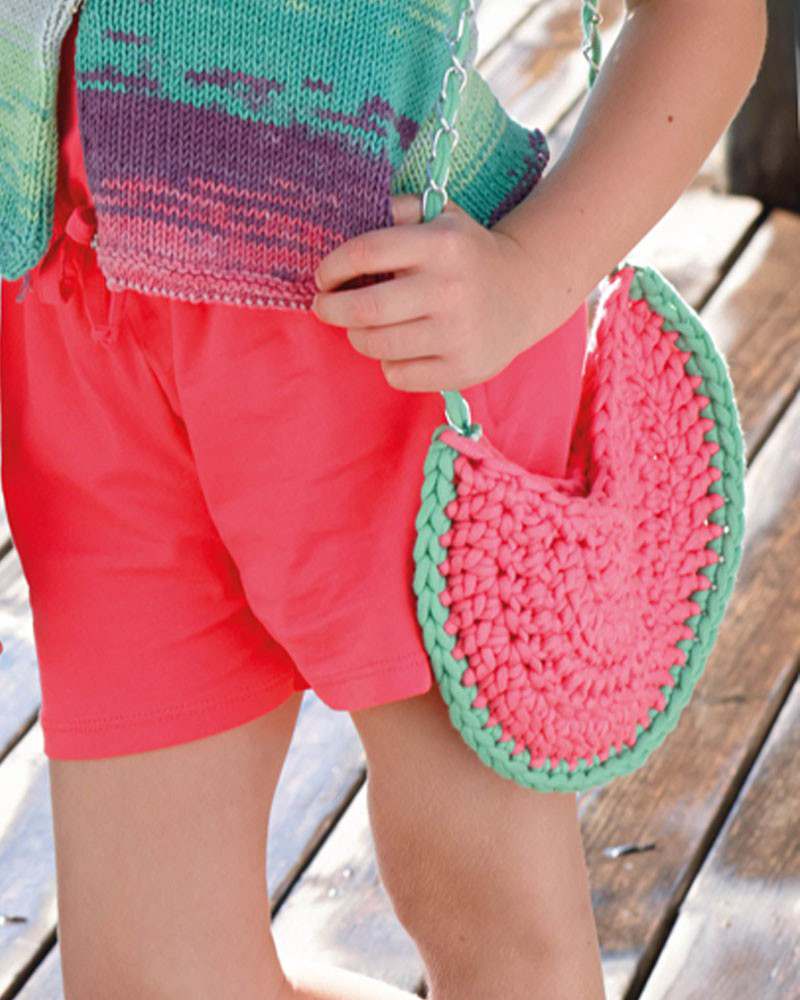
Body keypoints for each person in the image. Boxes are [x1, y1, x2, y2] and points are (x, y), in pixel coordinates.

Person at [0, 2, 766, 998]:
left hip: (393, 339)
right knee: (153, 979)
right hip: (76, 323)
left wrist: (529, 273)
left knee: (490, 917)